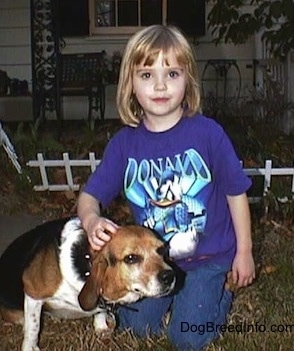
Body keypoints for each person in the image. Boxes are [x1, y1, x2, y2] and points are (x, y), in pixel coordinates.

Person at [77, 24, 255, 351]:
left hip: (209, 257)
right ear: (130, 84)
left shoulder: (208, 134)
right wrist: (90, 220)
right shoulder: (124, 145)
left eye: (172, 73)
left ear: (188, 80)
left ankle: (216, 293)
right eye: (146, 75)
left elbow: (235, 192)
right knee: (137, 329)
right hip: (152, 262)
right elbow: (90, 196)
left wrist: (243, 252)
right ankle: (178, 297)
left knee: (185, 338)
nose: (160, 85)